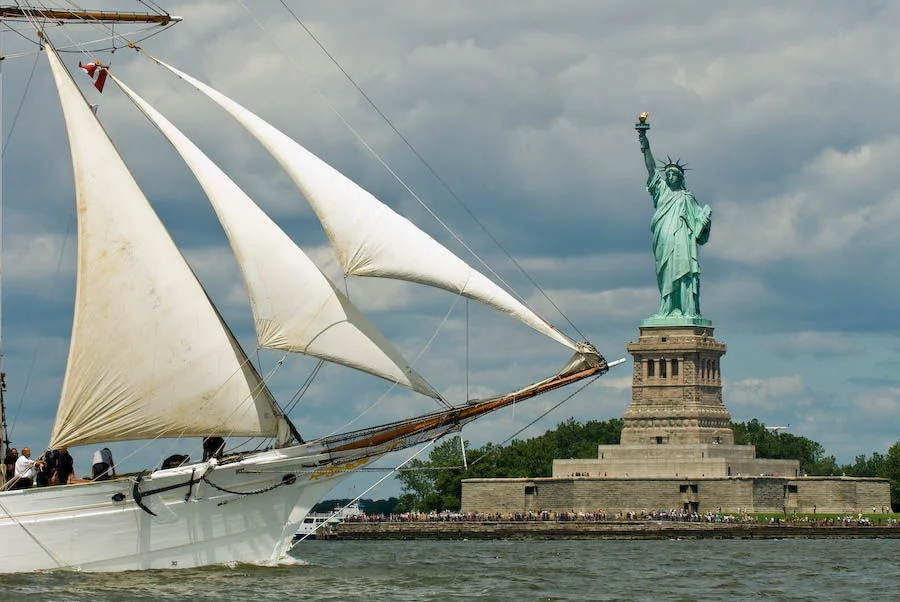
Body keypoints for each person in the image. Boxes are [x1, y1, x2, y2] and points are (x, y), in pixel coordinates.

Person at [636, 117, 712, 320]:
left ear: (680, 177)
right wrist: (644, 142)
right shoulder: (661, 190)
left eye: (674, 174)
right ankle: (667, 308)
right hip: (664, 238)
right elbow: (651, 168)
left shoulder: (688, 198)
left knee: (684, 272)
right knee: (666, 271)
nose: (670, 176)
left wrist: (704, 222)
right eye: (668, 174)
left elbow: (700, 226)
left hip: (683, 241)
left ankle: (687, 309)